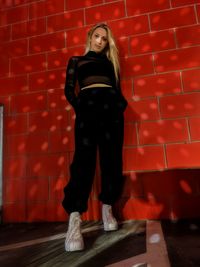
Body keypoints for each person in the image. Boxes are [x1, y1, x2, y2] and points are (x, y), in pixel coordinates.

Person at [62, 22, 128, 252]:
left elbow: (117, 89)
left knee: (112, 159)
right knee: (83, 161)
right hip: (87, 108)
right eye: (97, 36)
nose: (100, 41)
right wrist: (81, 106)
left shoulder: (111, 64)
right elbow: (69, 89)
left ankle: (107, 206)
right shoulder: (76, 61)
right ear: (90, 37)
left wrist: (120, 105)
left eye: (104, 38)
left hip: (111, 109)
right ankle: (74, 218)